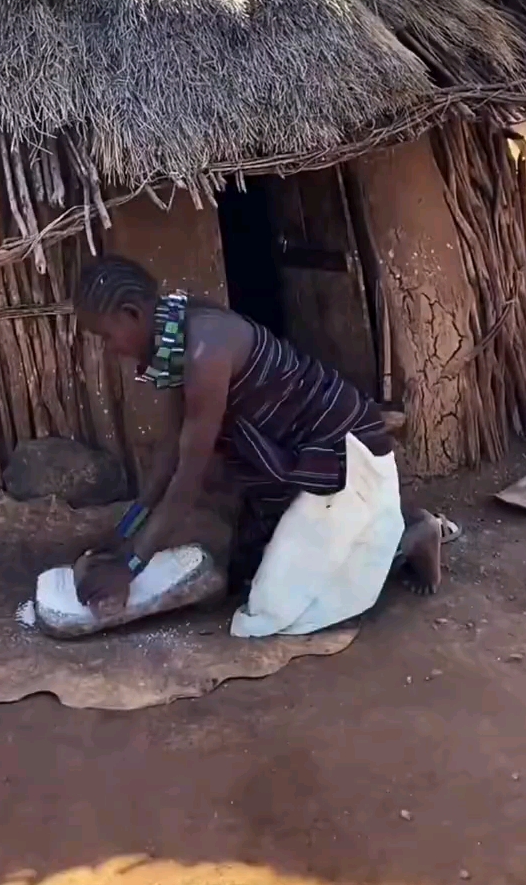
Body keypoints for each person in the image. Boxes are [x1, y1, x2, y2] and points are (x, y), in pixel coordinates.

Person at [73, 255, 443, 628]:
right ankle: (372, 526)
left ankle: (411, 536)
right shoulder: (172, 338)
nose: (109, 349)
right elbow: (171, 449)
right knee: (245, 576)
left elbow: (187, 478)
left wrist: (131, 566)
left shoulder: (205, 352)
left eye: (106, 336)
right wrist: (124, 533)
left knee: (277, 612)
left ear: (132, 313)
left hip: (337, 450)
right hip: (286, 457)